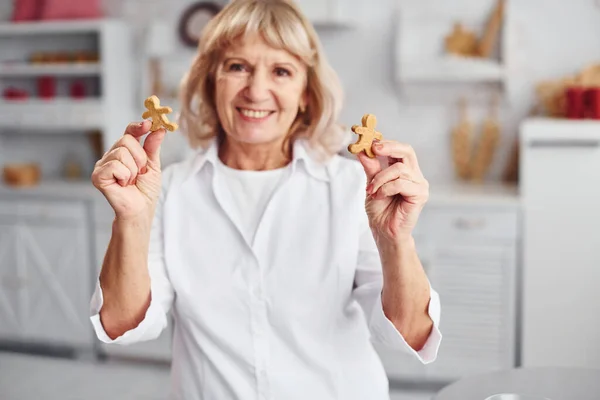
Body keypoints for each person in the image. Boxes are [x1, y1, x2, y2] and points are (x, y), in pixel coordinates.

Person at [90, 0, 442, 399]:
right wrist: (130, 221)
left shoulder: (354, 187)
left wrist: (397, 240)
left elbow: (411, 334)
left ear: (305, 93)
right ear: (211, 82)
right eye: (237, 66)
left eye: (281, 71)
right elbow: (121, 325)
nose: (256, 90)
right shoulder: (165, 190)